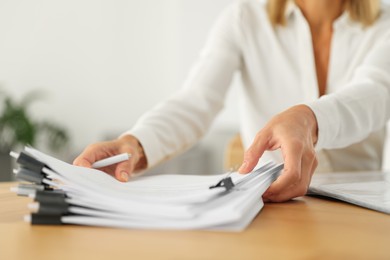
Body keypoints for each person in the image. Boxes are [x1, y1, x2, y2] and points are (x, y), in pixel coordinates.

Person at [74, 0, 390, 202]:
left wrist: (310, 118)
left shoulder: (384, 26)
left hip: (358, 207)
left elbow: (376, 94)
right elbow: (195, 102)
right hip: (271, 206)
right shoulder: (244, 19)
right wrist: (135, 143)